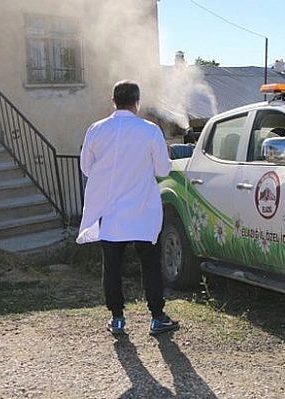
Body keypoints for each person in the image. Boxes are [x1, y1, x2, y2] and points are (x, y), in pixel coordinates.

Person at [76, 80, 179, 336]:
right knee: (151, 264)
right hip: (143, 208)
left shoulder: (96, 129)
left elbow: (86, 168)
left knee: (112, 266)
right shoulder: (150, 130)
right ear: (137, 102)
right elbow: (163, 169)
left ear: (113, 101)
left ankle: (118, 318)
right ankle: (157, 317)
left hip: (110, 211)